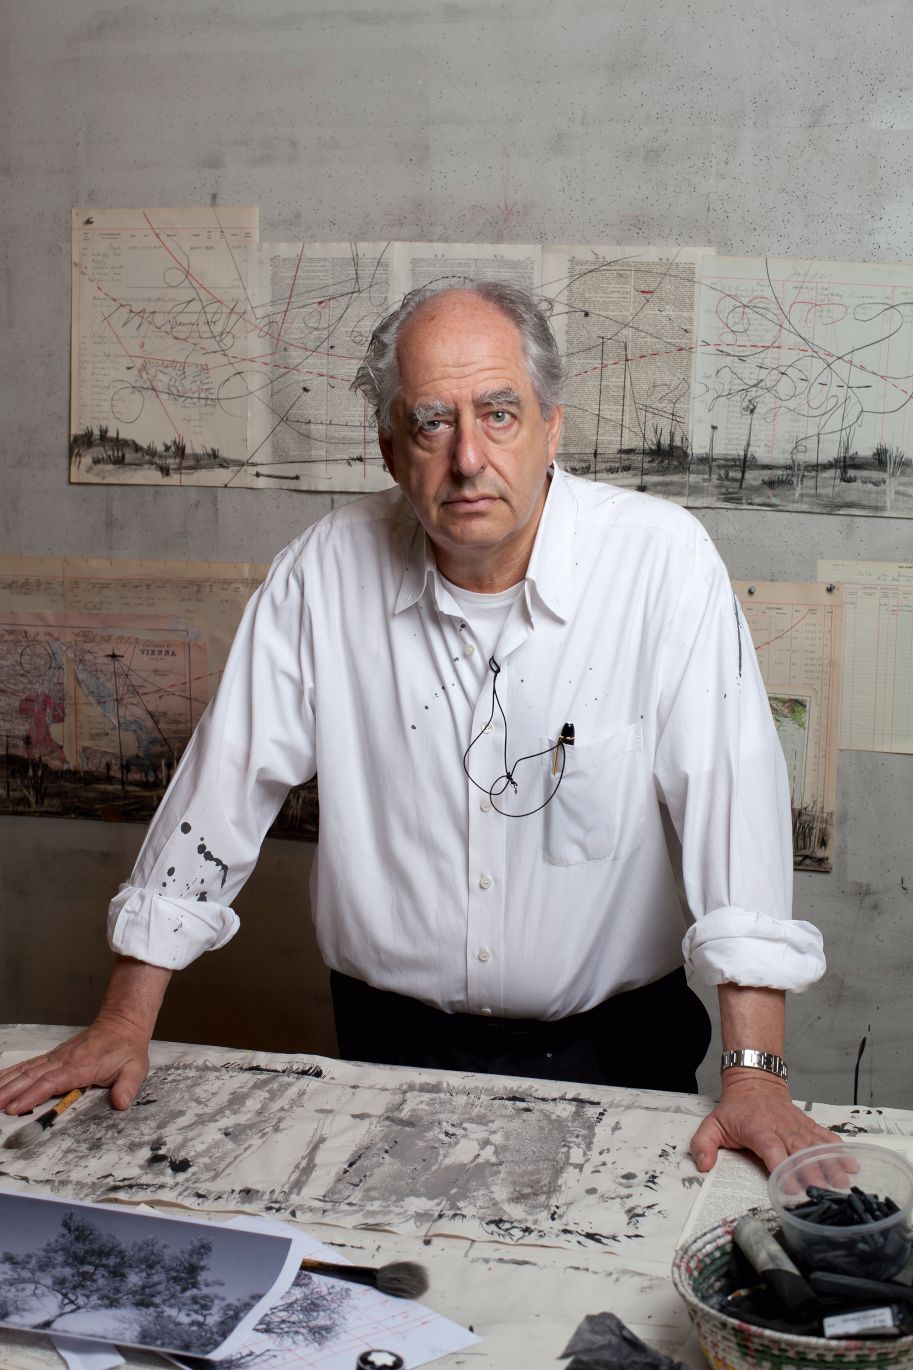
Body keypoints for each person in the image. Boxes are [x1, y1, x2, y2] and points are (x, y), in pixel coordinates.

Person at [0, 281, 833, 1173]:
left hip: (617, 1056)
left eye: (499, 414)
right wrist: (125, 1020)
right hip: (380, 1052)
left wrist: (755, 1079)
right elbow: (221, 789)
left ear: (552, 425)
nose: (468, 457)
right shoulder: (320, 572)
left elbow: (730, 805)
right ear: (390, 447)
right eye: (433, 422)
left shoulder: (660, 562)